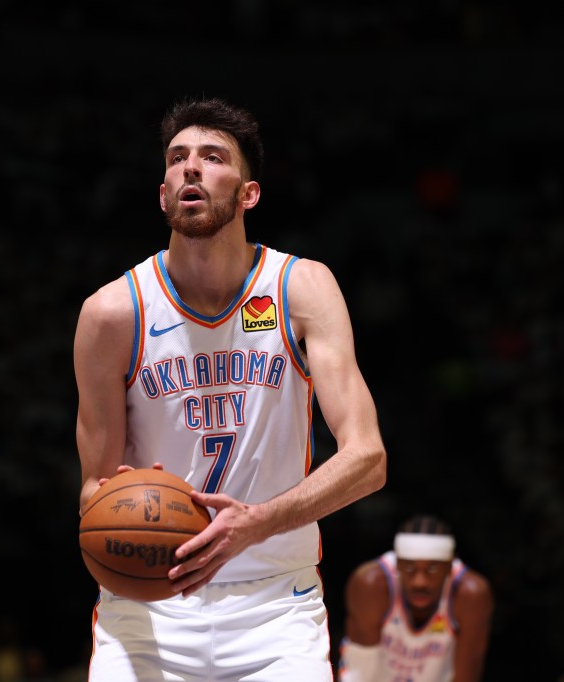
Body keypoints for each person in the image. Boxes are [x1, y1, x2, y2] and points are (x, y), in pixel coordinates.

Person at [73, 96, 388, 681]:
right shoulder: (113, 313)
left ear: (249, 193)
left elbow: (368, 459)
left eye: (212, 156)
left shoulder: (300, 289)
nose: (190, 167)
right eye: (176, 158)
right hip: (148, 608)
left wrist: (257, 522)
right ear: (164, 193)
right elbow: (94, 486)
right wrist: (113, 507)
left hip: (274, 608)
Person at [338, 515, 493, 682]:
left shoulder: (469, 595)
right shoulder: (371, 586)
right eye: (410, 568)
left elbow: (466, 676)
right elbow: (358, 670)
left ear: (449, 566)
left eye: (432, 569)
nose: (420, 582)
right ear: (397, 564)